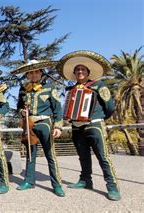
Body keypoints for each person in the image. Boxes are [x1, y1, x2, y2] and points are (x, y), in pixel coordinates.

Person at [57, 50, 121, 201]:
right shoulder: (70, 90)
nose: (80, 71)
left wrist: (99, 118)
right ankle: (86, 180)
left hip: (94, 125)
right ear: (74, 73)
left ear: (88, 72)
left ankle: (112, 186)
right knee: (83, 156)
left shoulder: (99, 85)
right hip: (76, 127)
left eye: (83, 69)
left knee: (103, 157)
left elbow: (110, 107)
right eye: (77, 70)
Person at [11, 60, 65, 197]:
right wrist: (22, 112)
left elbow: (57, 108)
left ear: (41, 73)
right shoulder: (23, 89)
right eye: (31, 72)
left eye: (36, 72)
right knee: (30, 154)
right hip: (29, 125)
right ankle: (29, 181)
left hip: (45, 123)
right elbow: (19, 107)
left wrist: (58, 126)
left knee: (50, 155)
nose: (34, 74)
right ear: (27, 75)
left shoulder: (50, 87)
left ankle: (57, 184)